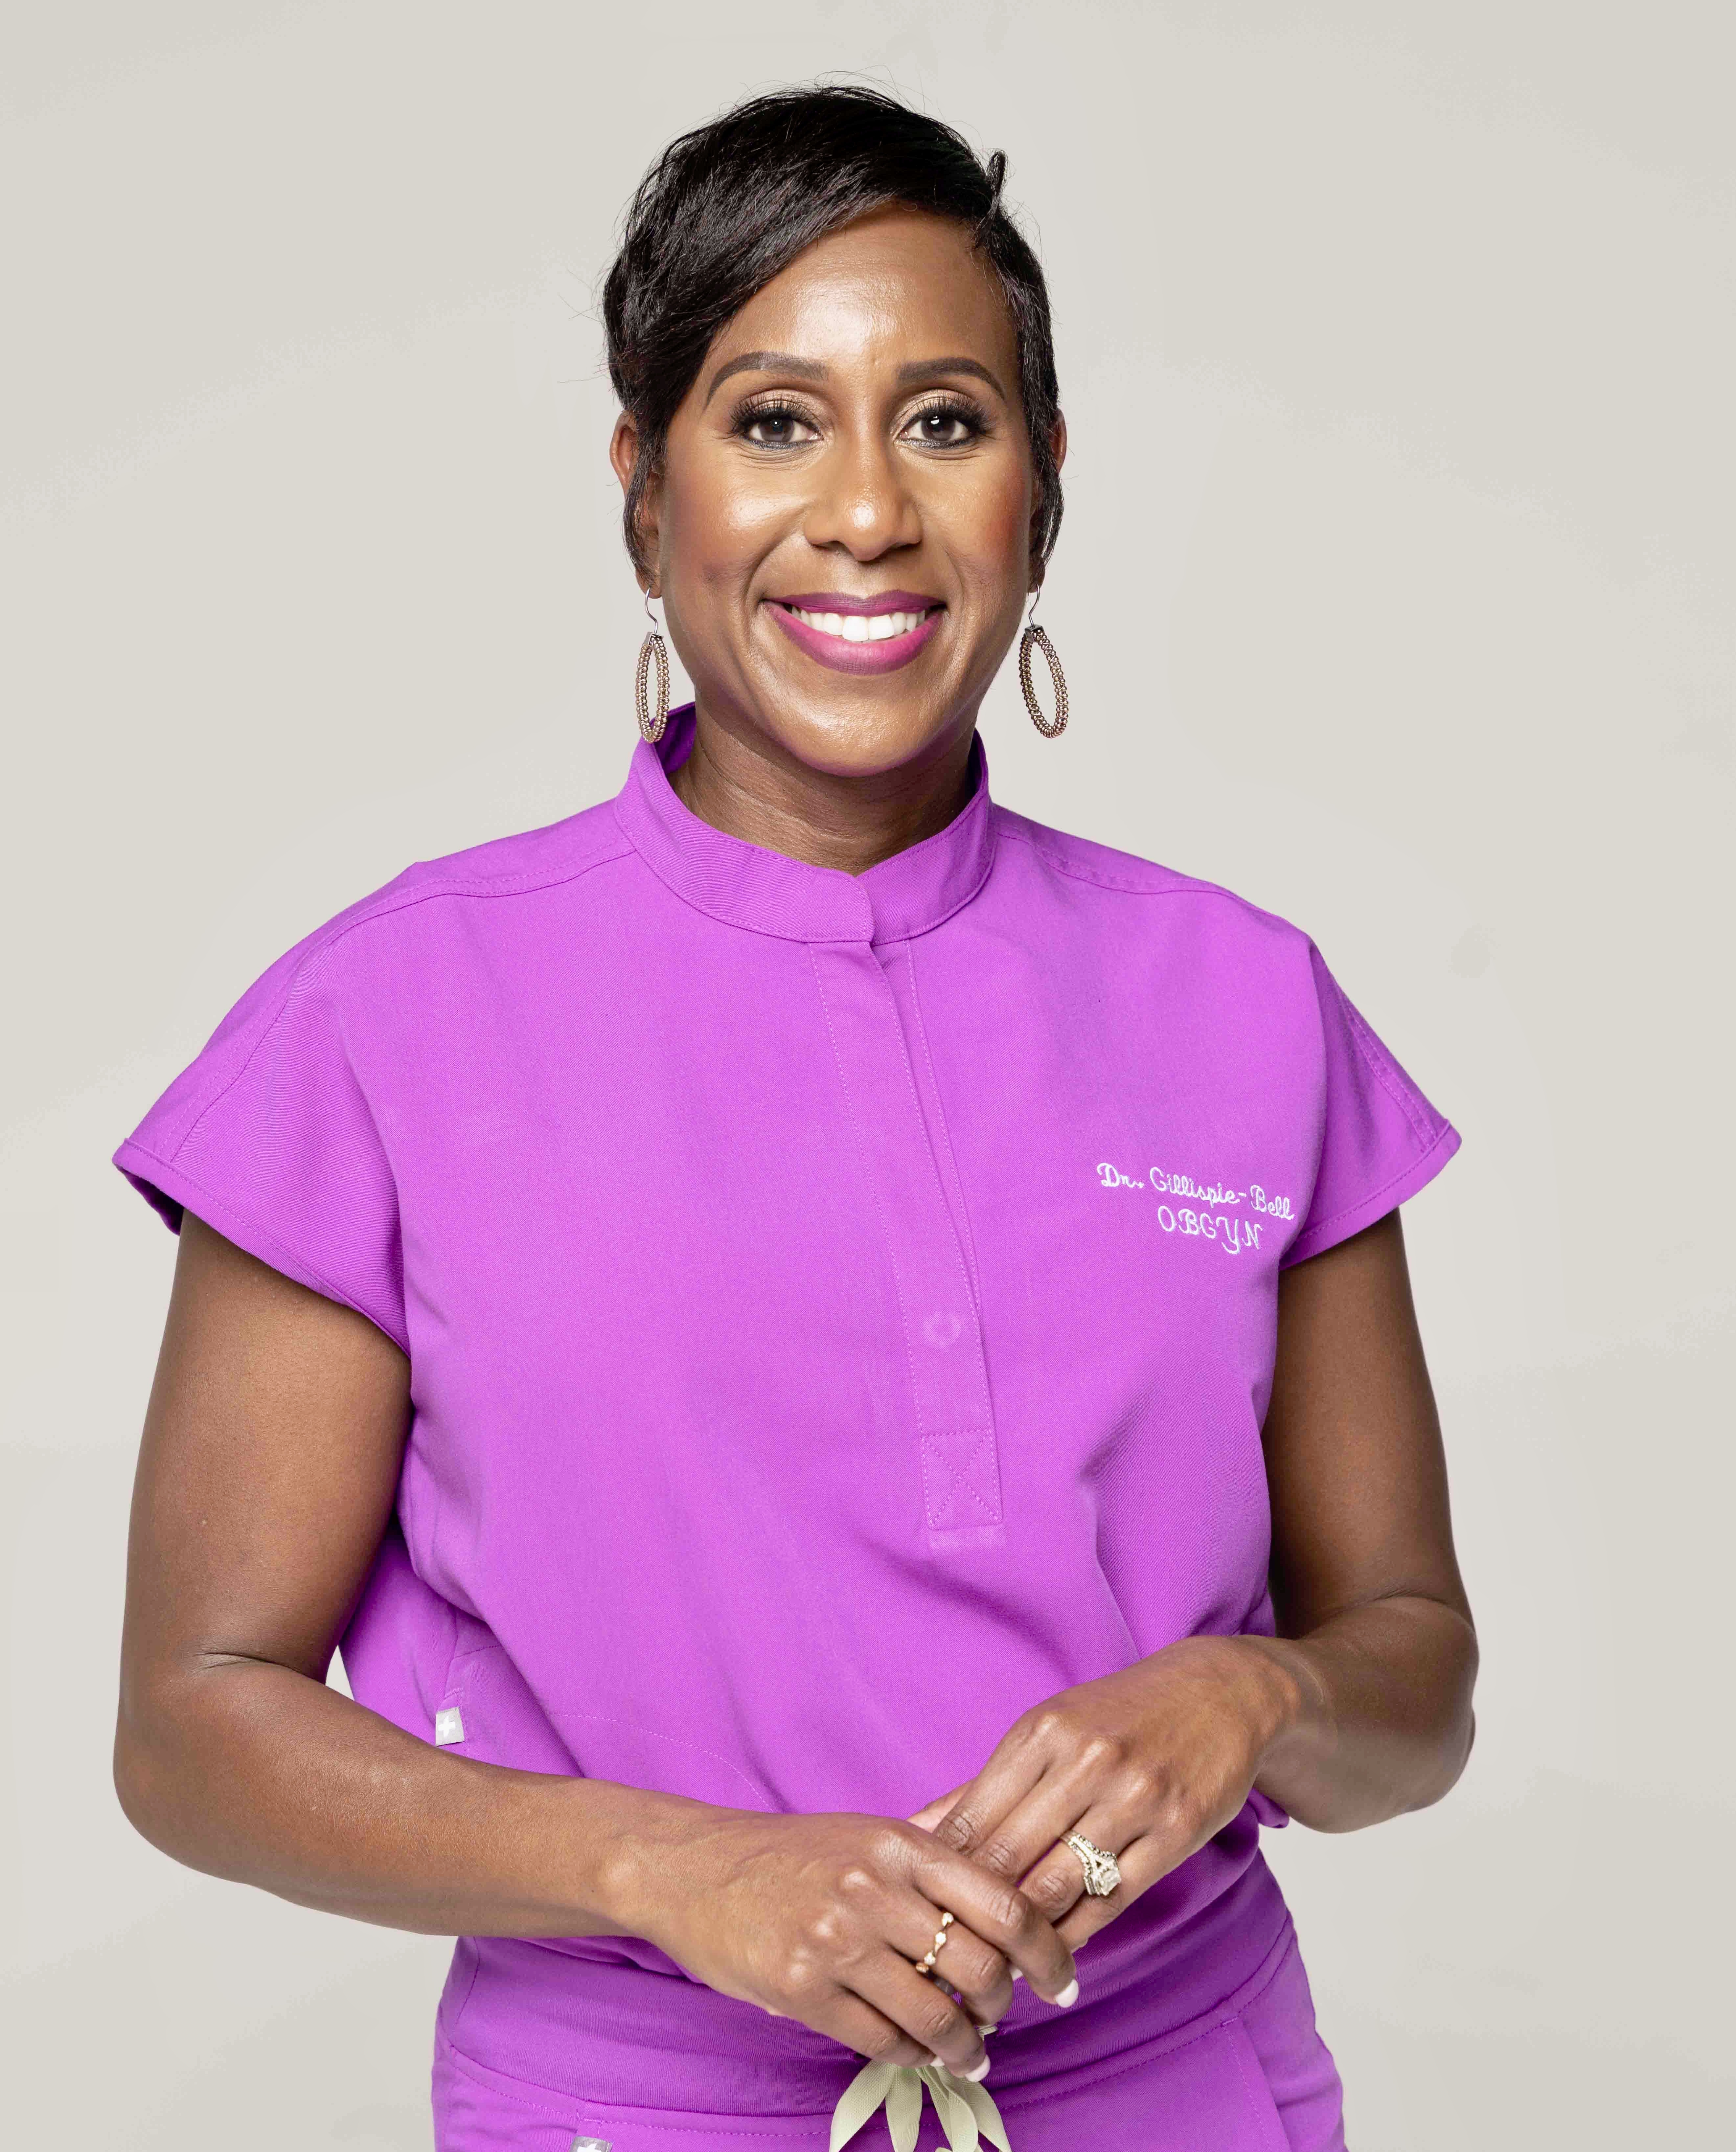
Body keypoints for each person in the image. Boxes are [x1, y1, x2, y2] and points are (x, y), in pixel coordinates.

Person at [111, 85, 1477, 2152]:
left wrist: (1255, 1695)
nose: (865, 509)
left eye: (944, 419)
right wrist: (672, 1869)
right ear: (643, 495)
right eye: (771, 421)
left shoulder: (1244, 999)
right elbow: (194, 1727)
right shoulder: (388, 1017)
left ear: (1045, 485)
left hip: (1185, 2086)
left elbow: (1416, 1680)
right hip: (635, 2103)